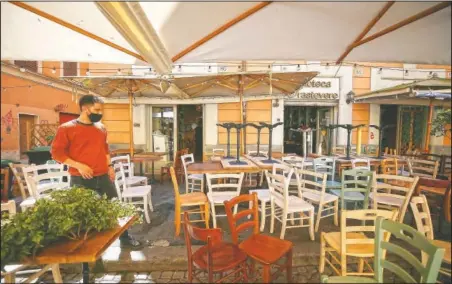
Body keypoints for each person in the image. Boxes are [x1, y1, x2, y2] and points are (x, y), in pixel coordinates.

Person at [51, 95, 141, 248]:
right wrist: (79, 165)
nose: (100, 113)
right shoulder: (66, 128)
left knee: (115, 208)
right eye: (97, 110)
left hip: (103, 176)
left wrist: (110, 166)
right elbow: (57, 154)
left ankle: (125, 238)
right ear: (85, 109)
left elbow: (105, 149)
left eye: (101, 110)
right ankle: (88, 248)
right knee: (85, 214)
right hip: (80, 179)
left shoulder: (101, 128)